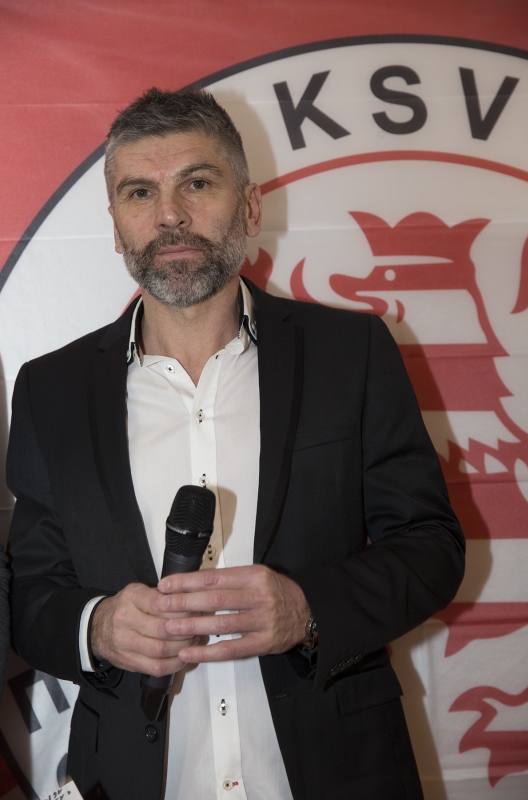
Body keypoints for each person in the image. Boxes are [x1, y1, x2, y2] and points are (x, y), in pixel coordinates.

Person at [7, 88, 465, 800]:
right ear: (116, 226)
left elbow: (431, 547)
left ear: (250, 207)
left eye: (196, 183)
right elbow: (30, 594)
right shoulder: (50, 389)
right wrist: (96, 628)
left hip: (338, 771)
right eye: (140, 192)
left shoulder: (352, 353)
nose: (169, 215)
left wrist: (307, 609)